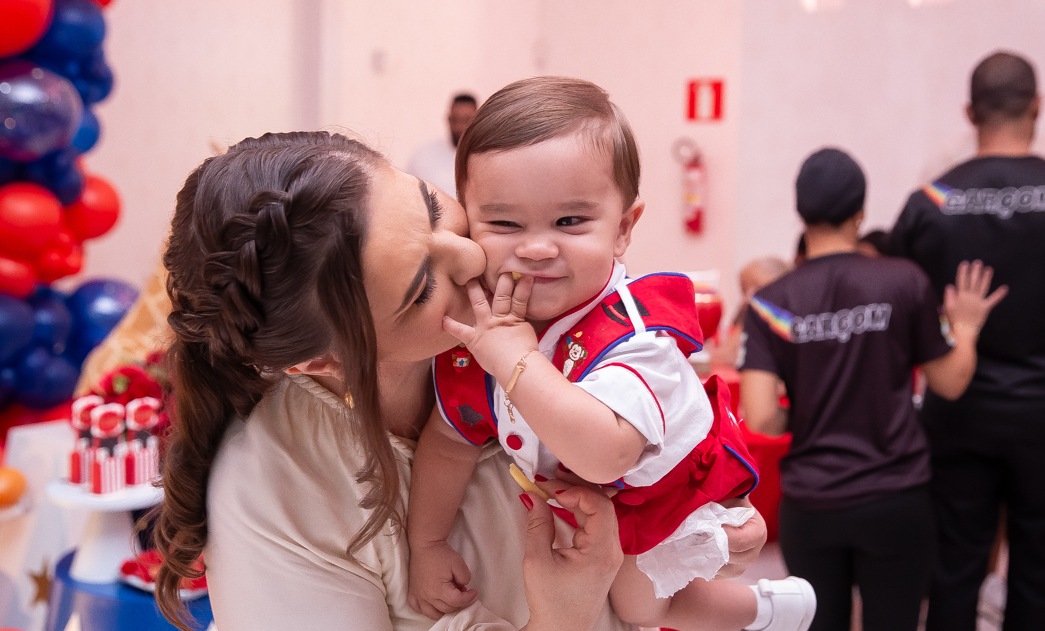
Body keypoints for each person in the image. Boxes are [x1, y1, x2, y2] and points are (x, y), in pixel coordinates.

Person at [152, 131, 768, 631]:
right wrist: (560, 621)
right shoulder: (276, 486)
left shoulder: (543, 322)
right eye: (422, 288)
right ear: (320, 361)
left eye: (432, 205)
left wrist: (709, 521)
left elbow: (664, 436)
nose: (472, 256)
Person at [407, 77, 814, 631]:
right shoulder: (483, 324)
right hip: (595, 497)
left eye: (570, 222)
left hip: (661, 488)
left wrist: (514, 360)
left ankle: (767, 610)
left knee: (642, 609)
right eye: (503, 223)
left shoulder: (634, 333)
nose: (536, 248)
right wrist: (428, 543)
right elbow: (450, 438)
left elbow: (606, 454)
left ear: (623, 229)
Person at [739, 147, 1006, 631]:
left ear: (800, 212)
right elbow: (950, 383)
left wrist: (810, 408)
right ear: (860, 213)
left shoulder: (770, 303)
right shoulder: (904, 282)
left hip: (811, 504)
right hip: (896, 501)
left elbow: (760, 419)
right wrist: (966, 328)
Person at [889, 50, 1045, 631]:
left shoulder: (928, 205)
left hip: (957, 411)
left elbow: (897, 308)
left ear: (970, 113)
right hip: (1042, 416)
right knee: (1038, 567)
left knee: (954, 566)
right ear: (1037, 107)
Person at [407, 93, 478, 198]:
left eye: (465, 121)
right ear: (448, 120)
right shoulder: (424, 155)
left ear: (477, 122)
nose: (459, 127)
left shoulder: (487, 158)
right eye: (455, 120)